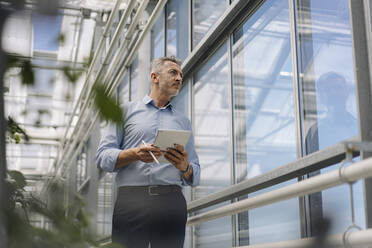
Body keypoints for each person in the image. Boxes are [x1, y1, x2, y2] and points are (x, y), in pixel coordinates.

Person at [95, 56, 200, 248]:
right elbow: (102, 157)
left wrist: (184, 166)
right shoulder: (125, 112)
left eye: (181, 75)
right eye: (173, 72)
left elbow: (195, 172)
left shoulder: (183, 121)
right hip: (131, 201)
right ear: (154, 77)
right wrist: (134, 154)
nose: (179, 78)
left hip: (172, 201)